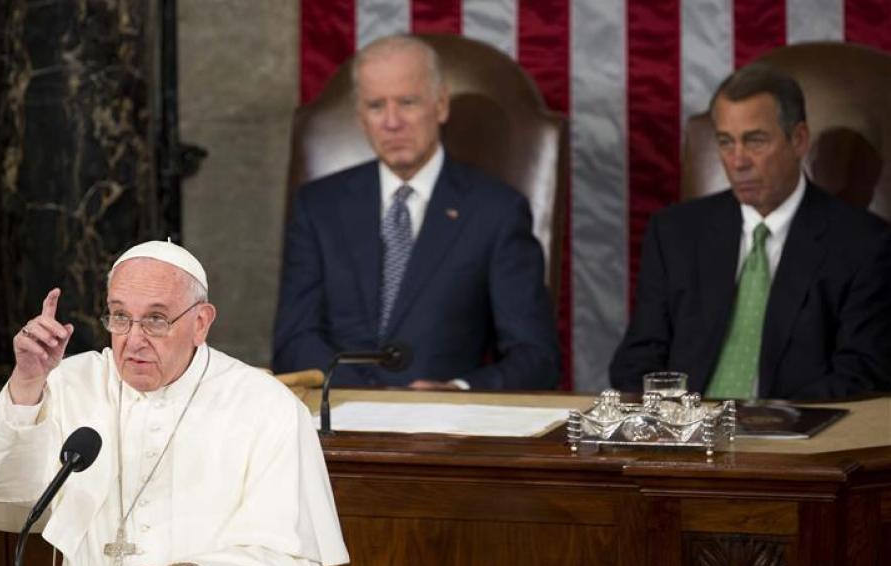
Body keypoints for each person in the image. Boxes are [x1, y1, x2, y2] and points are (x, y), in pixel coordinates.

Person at [0, 241, 350, 566]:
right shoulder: (71, 383)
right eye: (120, 317)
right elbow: (0, 496)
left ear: (201, 323)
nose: (133, 340)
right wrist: (28, 382)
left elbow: (288, 554)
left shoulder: (265, 407)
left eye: (156, 320)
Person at [272, 35, 560, 390]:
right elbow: (294, 341)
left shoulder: (496, 210)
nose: (392, 122)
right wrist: (371, 400)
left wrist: (459, 391)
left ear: (440, 105)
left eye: (407, 103)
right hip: (339, 420)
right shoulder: (318, 206)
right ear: (361, 117)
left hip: (445, 430)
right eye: (376, 106)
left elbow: (535, 357)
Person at [609, 64, 891, 400]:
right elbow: (635, 362)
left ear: (798, 139)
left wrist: (766, 423)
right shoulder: (674, 233)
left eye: (755, 141)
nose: (738, 160)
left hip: (793, 440)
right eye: (726, 142)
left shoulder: (864, 244)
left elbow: (861, 376)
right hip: (685, 437)